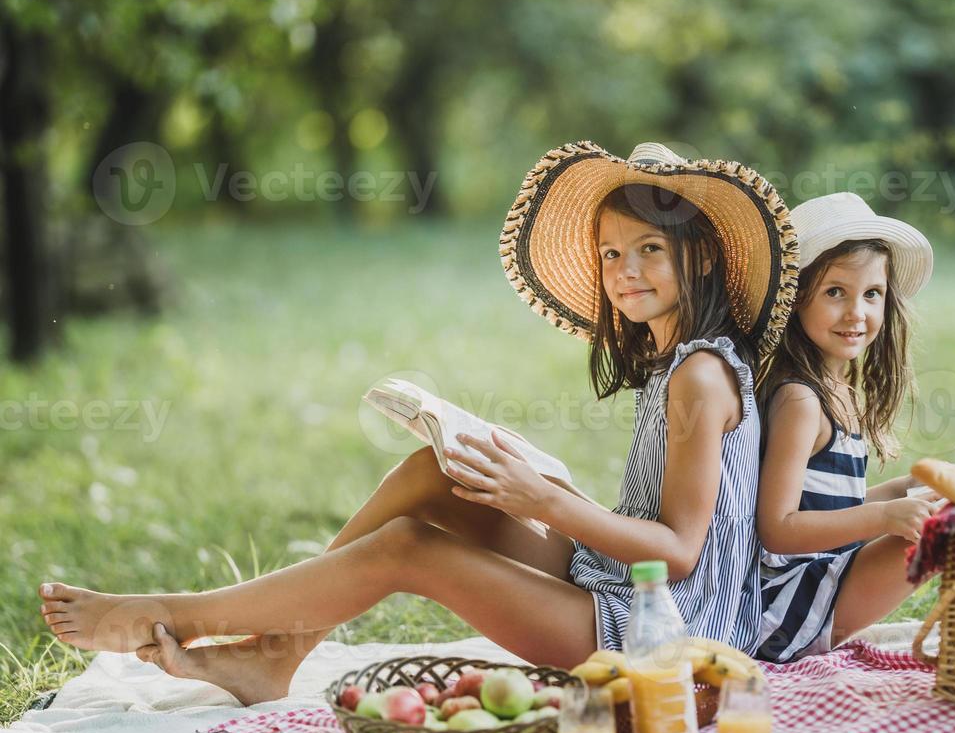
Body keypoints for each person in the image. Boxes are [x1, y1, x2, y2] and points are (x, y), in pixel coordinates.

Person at [38, 141, 799, 703]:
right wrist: (541, 487)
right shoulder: (674, 361)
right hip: (624, 591)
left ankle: (177, 618)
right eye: (610, 253)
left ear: (698, 259)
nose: (625, 270)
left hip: (668, 639)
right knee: (436, 472)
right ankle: (280, 651)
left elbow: (678, 555)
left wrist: (546, 502)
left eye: (649, 250)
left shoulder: (701, 374)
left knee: (409, 549)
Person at [752, 192, 937, 663]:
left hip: (819, 580)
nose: (857, 312)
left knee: (945, 509)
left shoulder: (837, 392)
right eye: (836, 292)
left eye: (871, 294)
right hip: (785, 605)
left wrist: (903, 490)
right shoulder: (800, 400)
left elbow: (834, 505)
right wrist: (884, 519)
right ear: (796, 300)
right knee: (945, 534)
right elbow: (777, 529)